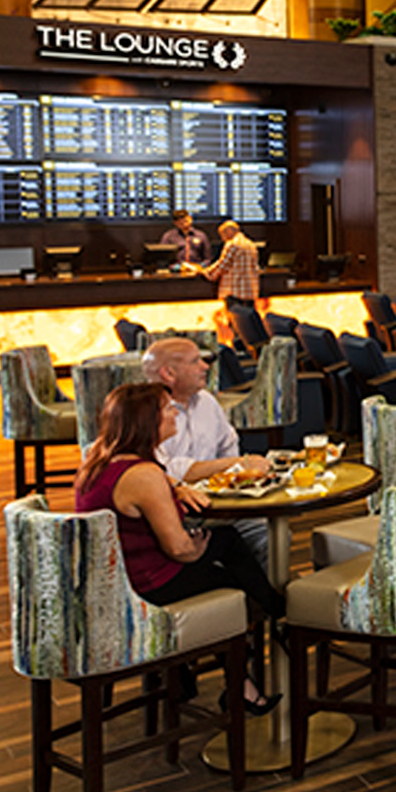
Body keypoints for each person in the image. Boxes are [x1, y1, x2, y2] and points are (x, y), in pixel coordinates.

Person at [74, 382, 282, 713]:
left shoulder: (99, 461)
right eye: (167, 409)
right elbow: (179, 549)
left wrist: (177, 490)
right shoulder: (143, 475)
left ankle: (201, 674)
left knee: (226, 542)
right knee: (235, 586)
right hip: (147, 586)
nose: (175, 413)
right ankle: (275, 626)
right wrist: (194, 549)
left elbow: (152, 491)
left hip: (113, 583)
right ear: (148, 422)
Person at [141, 336, 272, 563]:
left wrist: (233, 476)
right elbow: (167, 471)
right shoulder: (145, 414)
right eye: (195, 361)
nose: (205, 367)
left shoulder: (207, 402)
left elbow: (228, 447)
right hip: (174, 516)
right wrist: (237, 464)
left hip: (220, 504)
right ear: (168, 373)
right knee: (252, 539)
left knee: (271, 537)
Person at [202, 221, 261, 336]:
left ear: (229, 231)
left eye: (222, 234)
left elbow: (223, 264)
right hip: (250, 290)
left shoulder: (232, 244)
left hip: (235, 290)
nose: (222, 238)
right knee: (248, 326)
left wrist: (208, 273)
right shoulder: (250, 244)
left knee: (236, 324)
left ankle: (237, 345)